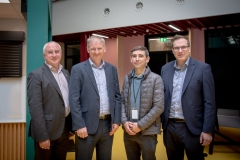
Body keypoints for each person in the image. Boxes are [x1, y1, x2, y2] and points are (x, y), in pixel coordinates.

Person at [161, 34, 216, 160]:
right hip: (170, 127)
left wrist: (207, 130)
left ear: (189, 48)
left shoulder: (203, 69)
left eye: (183, 47)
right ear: (172, 50)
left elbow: (210, 102)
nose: (180, 51)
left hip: (192, 127)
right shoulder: (165, 69)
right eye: (176, 48)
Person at [69, 35, 121, 160]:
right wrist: (79, 125)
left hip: (108, 125)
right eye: (93, 48)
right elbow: (73, 99)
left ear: (104, 49)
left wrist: (116, 120)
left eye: (99, 48)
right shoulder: (78, 69)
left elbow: (117, 96)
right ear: (87, 49)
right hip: (86, 126)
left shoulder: (112, 69)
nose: (96, 52)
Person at [27, 41, 73, 160]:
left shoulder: (66, 73)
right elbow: (35, 108)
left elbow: (68, 101)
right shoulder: (36, 75)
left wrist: (71, 126)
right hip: (47, 131)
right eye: (50, 52)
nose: (54, 55)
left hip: (64, 129)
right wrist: (42, 136)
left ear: (61, 53)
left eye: (57, 51)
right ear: (44, 55)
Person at [121, 46, 165, 160]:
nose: (137, 59)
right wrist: (125, 123)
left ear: (147, 59)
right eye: (134, 56)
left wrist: (140, 125)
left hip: (147, 132)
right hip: (129, 131)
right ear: (131, 59)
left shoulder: (156, 79)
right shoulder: (127, 78)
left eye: (141, 56)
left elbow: (159, 107)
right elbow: (122, 102)